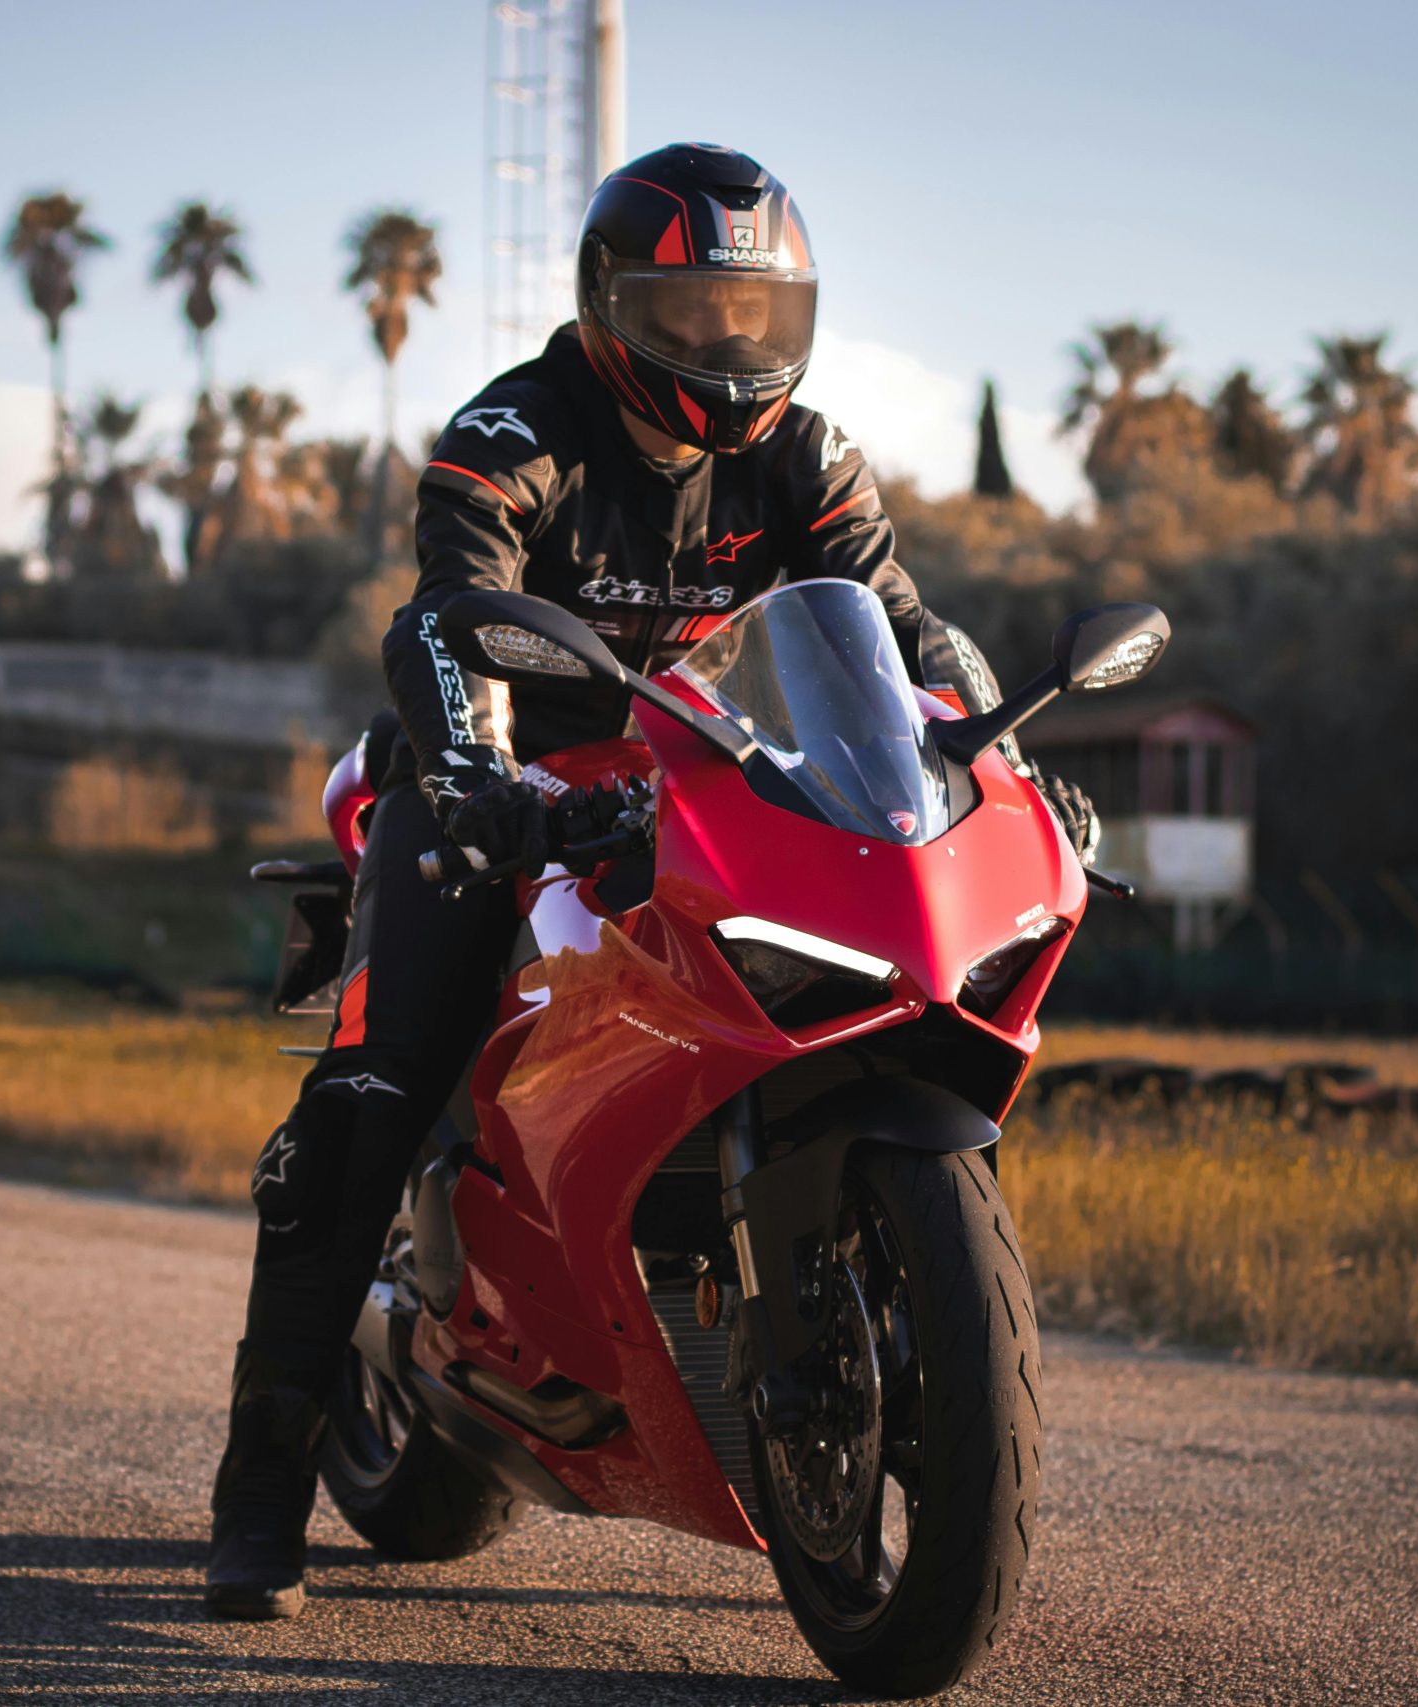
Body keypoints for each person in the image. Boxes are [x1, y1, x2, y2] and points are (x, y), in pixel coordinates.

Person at [204, 142, 1097, 1619]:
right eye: (688, 313)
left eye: (755, 314)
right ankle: (256, 1508)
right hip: (499, 780)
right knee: (363, 1108)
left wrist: (997, 764)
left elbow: (902, 637)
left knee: (882, 993)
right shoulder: (519, 427)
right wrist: (481, 786)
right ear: (611, 301)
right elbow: (446, 611)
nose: (724, 346)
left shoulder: (804, 453)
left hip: (709, 781)